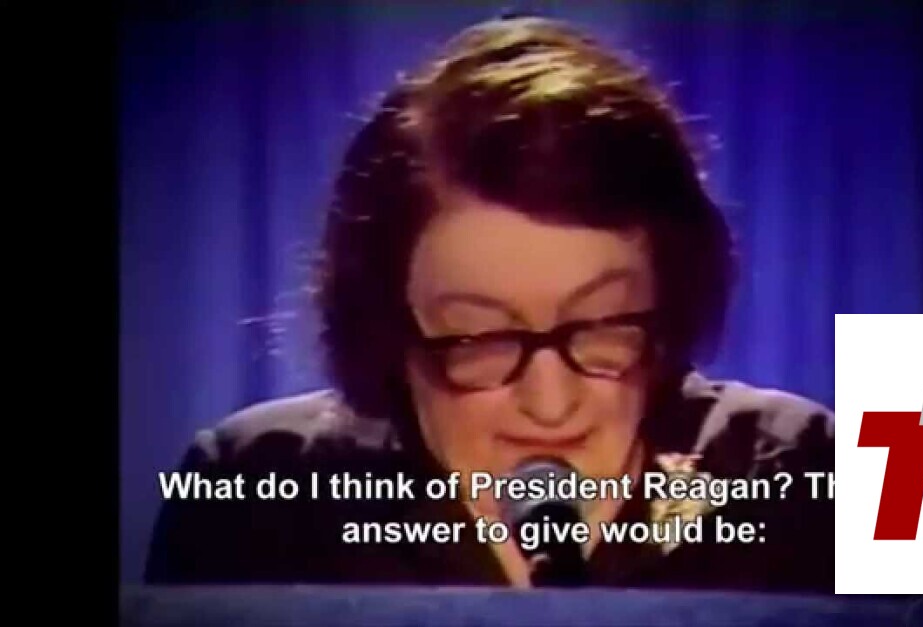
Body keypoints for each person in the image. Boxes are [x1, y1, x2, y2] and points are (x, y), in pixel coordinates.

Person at [144, 15, 834, 592]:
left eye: (603, 326)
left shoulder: (808, 468)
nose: (550, 405)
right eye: (479, 337)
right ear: (388, 332)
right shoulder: (254, 493)